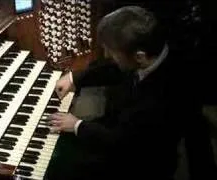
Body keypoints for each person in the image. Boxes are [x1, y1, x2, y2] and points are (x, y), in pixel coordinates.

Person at [48, 6, 190, 180]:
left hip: (138, 161)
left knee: (58, 166)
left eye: (112, 52)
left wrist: (77, 125)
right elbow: (116, 69)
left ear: (139, 57)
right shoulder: (152, 53)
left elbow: (122, 142)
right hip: (121, 129)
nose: (107, 55)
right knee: (57, 141)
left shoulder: (163, 96)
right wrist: (74, 78)